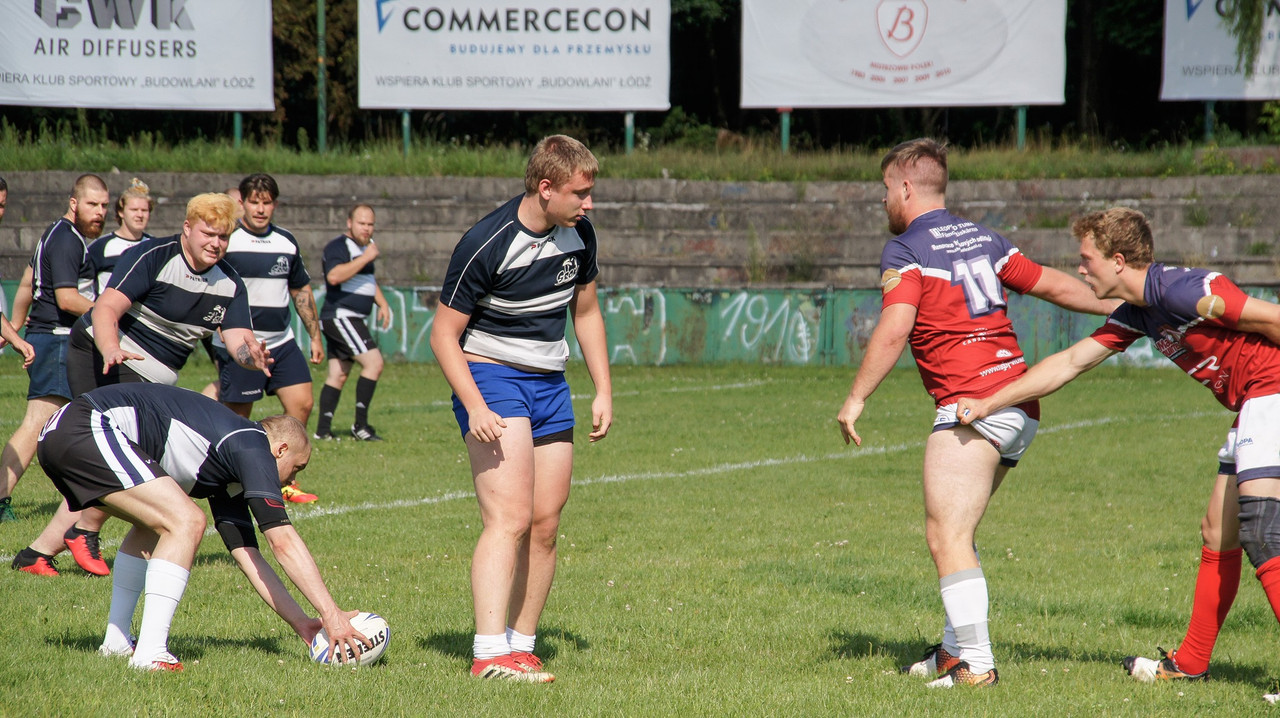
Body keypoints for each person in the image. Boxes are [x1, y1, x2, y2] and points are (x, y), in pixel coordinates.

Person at [956, 206, 1280, 686]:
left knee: (1261, 532)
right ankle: (1190, 663)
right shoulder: (1139, 314)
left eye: (1087, 259)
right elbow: (1069, 363)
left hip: (1271, 392)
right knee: (1219, 531)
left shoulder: (1181, 290)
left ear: (1119, 260)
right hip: (1255, 402)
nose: (1081, 268)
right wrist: (988, 402)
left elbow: (1272, 318)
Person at [835, 139, 1114, 688]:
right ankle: (951, 650)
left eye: (886, 189)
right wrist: (1125, 303)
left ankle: (976, 667)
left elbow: (896, 325)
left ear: (907, 188)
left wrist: (857, 396)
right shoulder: (985, 237)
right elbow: (1054, 285)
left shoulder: (908, 248)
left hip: (971, 406)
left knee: (946, 536)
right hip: (1020, 403)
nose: (885, 199)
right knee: (958, 530)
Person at [430, 134, 613, 683]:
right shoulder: (487, 242)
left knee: (545, 522)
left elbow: (586, 312)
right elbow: (443, 335)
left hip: (550, 384)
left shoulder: (579, 234)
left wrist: (603, 388)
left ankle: (521, 644)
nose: (589, 204)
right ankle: (488, 654)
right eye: (581, 193)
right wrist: (475, 405)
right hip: (491, 378)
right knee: (507, 519)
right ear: (546, 187)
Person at [15, 193, 271, 578]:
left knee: (128, 461)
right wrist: (111, 347)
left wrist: (251, 355)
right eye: (208, 233)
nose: (216, 243)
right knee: (126, 455)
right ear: (187, 228)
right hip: (101, 354)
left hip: (154, 379)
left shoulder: (229, 283)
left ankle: (37, 553)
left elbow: (238, 340)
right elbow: (105, 309)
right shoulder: (155, 255)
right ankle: (84, 529)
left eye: (223, 236)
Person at [37, 383, 369, 671]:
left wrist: (302, 624)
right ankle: (151, 653)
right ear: (280, 449)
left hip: (61, 431)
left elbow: (248, 556)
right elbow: (281, 540)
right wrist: (332, 614)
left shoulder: (230, 467)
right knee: (187, 520)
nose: (293, 479)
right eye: (296, 467)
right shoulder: (251, 444)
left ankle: (117, 642)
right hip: (88, 425)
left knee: (153, 525)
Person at [0, 174, 105, 533]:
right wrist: (110, 314)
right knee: (37, 425)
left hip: (52, 339)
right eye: (93, 204)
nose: (100, 212)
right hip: (59, 341)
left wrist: (13, 325)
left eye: (105, 205)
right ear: (74, 203)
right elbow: (66, 298)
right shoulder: (67, 240)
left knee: (67, 425)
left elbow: (29, 282)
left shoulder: (55, 233)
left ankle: (83, 496)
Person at [215, 174, 323, 504]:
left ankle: (286, 479)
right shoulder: (228, 240)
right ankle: (233, 478)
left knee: (302, 404)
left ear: (274, 204)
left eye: (267, 202)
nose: (260, 209)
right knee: (237, 417)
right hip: (243, 346)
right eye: (254, 202)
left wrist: (314, 336)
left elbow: (300, 290)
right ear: (242, 203)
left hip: (282, 341)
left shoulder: (286, 243)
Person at [314, 204, 392, 441]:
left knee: (338, 374)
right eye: (362, 223)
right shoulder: (339, 246)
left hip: (349, 317)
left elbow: (367, 280)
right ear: (349, 223)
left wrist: (383, 303)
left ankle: (322, 431)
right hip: (341, 315)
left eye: (370, 224)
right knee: (374, 363)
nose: (367, 228)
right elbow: (335, 276)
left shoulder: (365, 248)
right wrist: (366, 257)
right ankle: (361, 426)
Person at [88, 178, 154, 296]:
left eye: (144, 210)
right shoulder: (100, 247)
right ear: (121, 212)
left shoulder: (155, 246)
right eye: (134, 210)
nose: (140, 215)